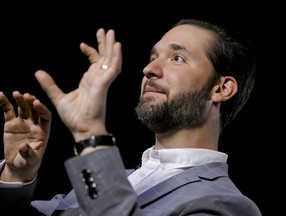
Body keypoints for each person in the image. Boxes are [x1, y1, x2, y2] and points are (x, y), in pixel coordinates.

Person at [0, 18, 262, 215]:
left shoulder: (226, 205)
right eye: (153, 57)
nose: (149, 69)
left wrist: (90, 134)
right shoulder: (117, 178)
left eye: (177, 58)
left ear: (221, 88)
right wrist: (16, 176)